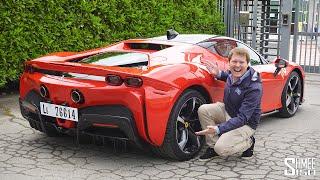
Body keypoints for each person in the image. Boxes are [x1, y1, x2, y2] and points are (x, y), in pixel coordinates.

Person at [195, 47, 262, 160]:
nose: (237, 65)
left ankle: (248, 143)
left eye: (241, 62)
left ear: (247, 64)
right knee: (204, 110)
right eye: (234, 61)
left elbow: (242, 118)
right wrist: (219, 74)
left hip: (245, 123)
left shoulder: (254, 87)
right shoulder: (233, 74)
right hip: (229, 111)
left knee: (221, 149)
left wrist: (218, 129)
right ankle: (212, 146)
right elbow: (229, 77)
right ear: (229, 62)